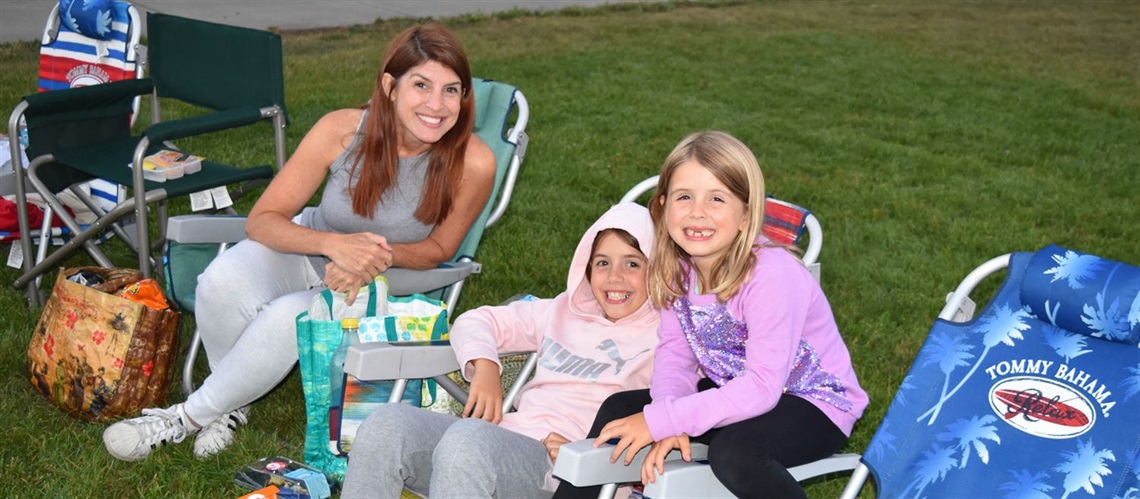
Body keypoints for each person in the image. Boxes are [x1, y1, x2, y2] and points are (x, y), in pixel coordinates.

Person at [102, 23, 497, 462]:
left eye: (451, 90)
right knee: (220, 282)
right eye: (421, 85)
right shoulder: (343, 131)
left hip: (395, 277)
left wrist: (370, 256)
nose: (437, 106)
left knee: (290, 315)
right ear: (390, 86)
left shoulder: (474, 162)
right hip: (317, 246)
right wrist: (334, 245)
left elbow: (440, 250)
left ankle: (183, 418)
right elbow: (262, 220)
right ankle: (231, 402)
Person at [553, 131, 869, 499]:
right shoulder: (676, 270)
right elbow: (675, 353)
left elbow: (762, 389)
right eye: (684, 197)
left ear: (745, 215)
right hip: (736, 387)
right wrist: (667, 415)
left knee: (736, 452)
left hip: (812, 402)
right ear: (662, 207)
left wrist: (666, 420)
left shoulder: (772, 276)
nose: (697, 212)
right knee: (620, 408)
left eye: (717, 199)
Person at [340, 202, 660, 499]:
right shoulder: (561, 311)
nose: (615, 277)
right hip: (500, 445)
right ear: (586, 268)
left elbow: (680, 415)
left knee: (467, 442)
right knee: (386, 425)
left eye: (632, 263)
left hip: (566, 470)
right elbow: (477, 320)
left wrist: (586, 453)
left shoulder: (668, 338)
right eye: (602, 262)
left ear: (658, 269)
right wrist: (485, 365)